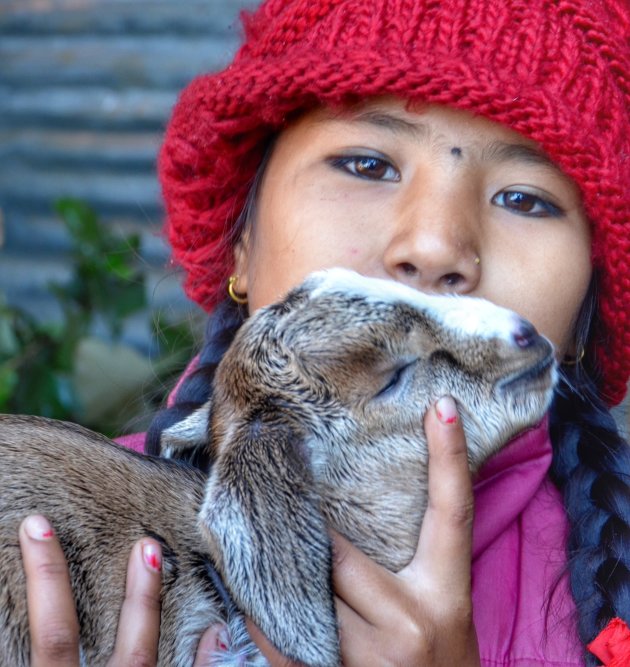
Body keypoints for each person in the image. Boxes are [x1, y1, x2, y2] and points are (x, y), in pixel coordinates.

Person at [18, 0, 630, 665]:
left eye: (524, 199)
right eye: (368, 165)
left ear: (583, 314)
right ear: (242, 247)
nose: (433, 244)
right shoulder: (43, 542)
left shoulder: (607, 602)